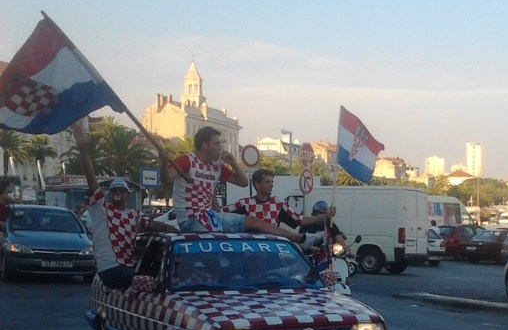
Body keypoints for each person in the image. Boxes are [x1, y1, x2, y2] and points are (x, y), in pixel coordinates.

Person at [73, 123, 176, 289]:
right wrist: (84, 150)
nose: (118, 192)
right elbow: (91, 180)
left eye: (122, 190)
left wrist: (173, 230)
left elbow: (151, 224)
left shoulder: (134, 214)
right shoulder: (101, 208)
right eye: (115, 190)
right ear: (109, 193)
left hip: (129, 268)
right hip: (111, 270)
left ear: (128, 195)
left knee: (161, 262)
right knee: (161, 284)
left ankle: (138, 289)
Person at [163, 129, 304, 244]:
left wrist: (233, 163)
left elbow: (242, 183)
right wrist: (163, 163)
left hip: (210, 215)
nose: (220, 147)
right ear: (205, 145)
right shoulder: (186, 160)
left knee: (253, 222)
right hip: (190, 218)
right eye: (217, 143)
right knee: (213, 242)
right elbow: (166, 179)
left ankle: (297, 238)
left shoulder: (216, 167)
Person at [222, 168, 336, 233]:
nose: (271, 185)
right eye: (267, 182)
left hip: (272, 252)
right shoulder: (244, 204)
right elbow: (220, 214)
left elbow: (300, 220)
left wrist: (325, 217)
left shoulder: (278, 204)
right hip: (251, 253)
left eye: (272, 182)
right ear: (257, 184)